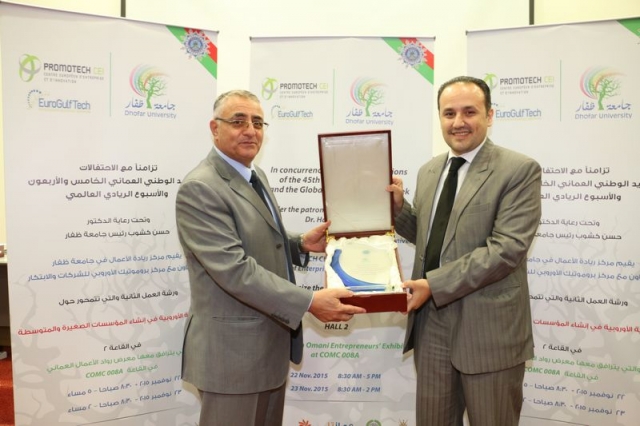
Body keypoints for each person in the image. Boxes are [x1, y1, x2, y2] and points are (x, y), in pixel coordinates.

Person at [176, 89, 366, 426]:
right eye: (238, 121)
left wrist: (299, 245)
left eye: (258, 122)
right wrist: (309, 302)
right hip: (231, 358)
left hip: (267, 349)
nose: (250, 130)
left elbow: (254, 241)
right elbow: (234, 270)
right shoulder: (201, 187)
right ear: (215, 128)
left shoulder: (254, 175)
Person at [387, 76, 542, 426]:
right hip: (432, 327)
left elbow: (507, 249)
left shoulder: (518, 170)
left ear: (490, 115)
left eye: (469, 112)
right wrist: (399, 210)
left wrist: (433, 284)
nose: (458, 122)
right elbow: (433, 238)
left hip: (488, 331)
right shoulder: (429, 171)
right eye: (449, 113)